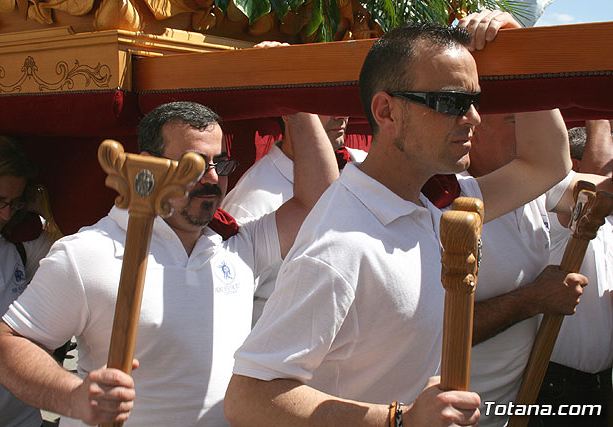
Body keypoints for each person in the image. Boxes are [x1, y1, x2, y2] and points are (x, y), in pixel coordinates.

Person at [224, 11, 576, 427]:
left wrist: (521, 48)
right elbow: (248, 396)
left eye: (475, 101)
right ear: (386, 112)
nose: (474, 119)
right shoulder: (340, 246)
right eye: (450, 103)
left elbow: (547, 162)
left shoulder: (437, 204)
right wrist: (399, 420)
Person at [0, 102, 339, 426]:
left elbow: (318, 201)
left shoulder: (237, 244)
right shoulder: (88, 253)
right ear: (148, 166)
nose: (213, 178)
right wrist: (74, 397)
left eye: (221, 163)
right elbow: (8, 347)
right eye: (195, 165)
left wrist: (296, 109)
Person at [459, 113, 580, 427]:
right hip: (455, 417)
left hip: (512, 410)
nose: (530, 136)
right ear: (473, 126)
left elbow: (586, 188)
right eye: (514, 120)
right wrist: (533, 300)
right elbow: (430, 327)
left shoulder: (528, 181)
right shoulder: (441, 199)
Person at [222, 113, 366, 324]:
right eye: (323, 104)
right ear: (291, 114)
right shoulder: (252, 200)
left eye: (341, 103)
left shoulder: (367, 168)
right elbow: (230, 302)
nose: (340, 115)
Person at [533, 120, 613, 427]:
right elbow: (595, 189)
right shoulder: (557, 216)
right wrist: (600, 117)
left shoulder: (607, 228)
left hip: (600, 382)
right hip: (554, 383)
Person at [0, 135, 51, 427]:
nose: (5, 214)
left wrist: (44, 210)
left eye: (14, 204)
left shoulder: (22, 245)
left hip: (22, 420)